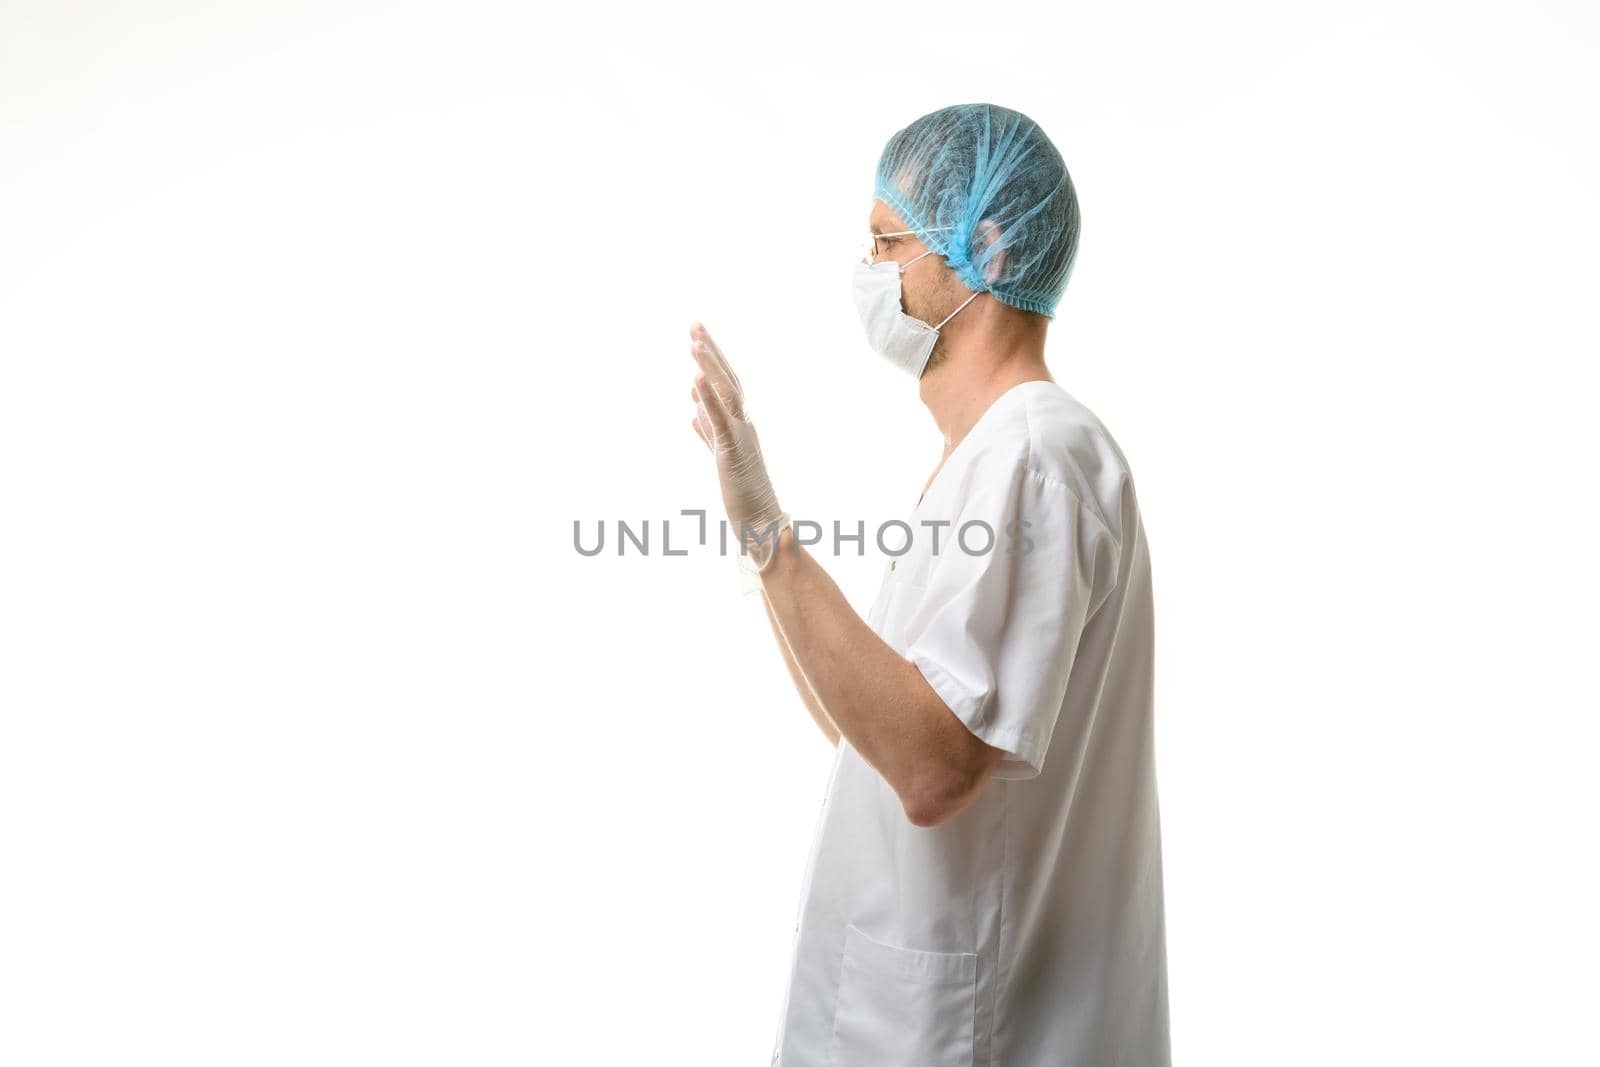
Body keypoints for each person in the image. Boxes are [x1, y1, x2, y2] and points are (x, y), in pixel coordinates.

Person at [687, 103, 1170, 1067]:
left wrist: (773, 536)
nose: (868, 272)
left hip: (976, 1029)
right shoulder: (995, 457)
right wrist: (759, 535)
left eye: (886, 241)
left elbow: (931, 768)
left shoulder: (1032, 457)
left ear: (981, 246)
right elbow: (866, 730)